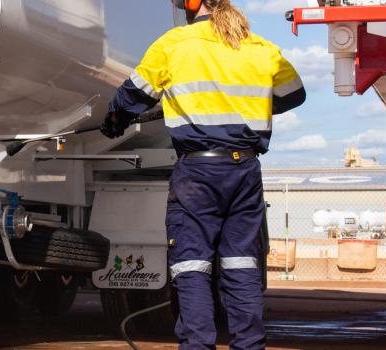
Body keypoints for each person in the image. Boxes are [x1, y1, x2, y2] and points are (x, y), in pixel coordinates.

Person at [100, 0, 306, 349]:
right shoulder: (260, 47)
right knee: (242, 266)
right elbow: (294, 94)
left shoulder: (173, 44)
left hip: (198, 172)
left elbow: (133, 93)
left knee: (192, 266)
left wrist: (115, 119)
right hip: (245, 170)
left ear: (192, 4)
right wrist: (246, 108)